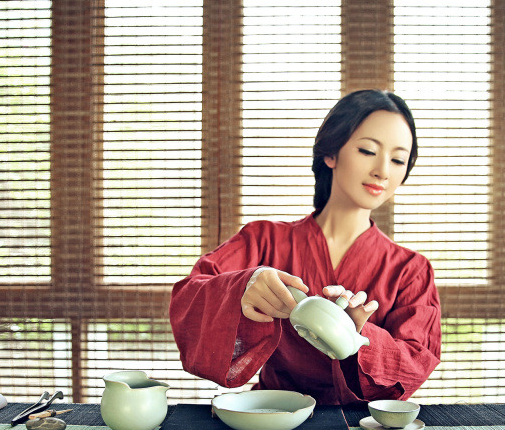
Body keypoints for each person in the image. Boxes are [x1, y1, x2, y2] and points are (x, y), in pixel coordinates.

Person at [169, 89, 441, 405]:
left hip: (364, 429)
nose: (383, 170)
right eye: (367, 150)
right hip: (270, 417)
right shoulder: (263, 239)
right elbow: (190, 296)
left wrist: (358, 338)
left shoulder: (412, 269)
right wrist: (243, 288)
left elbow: (418, 358)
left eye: (397, 159)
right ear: (331, 154)